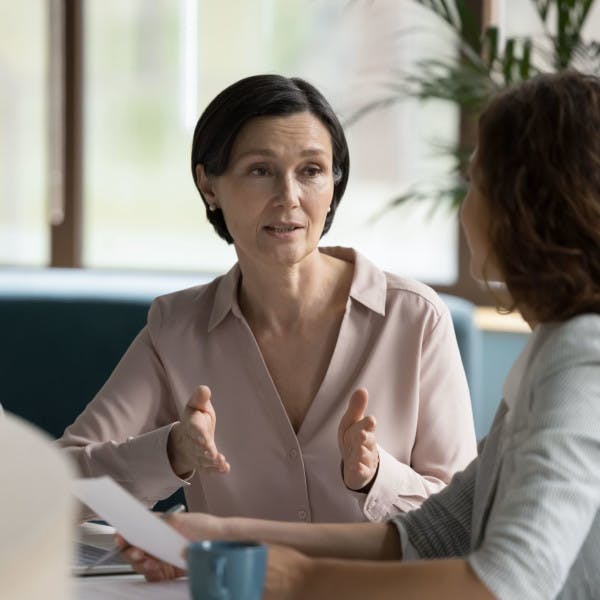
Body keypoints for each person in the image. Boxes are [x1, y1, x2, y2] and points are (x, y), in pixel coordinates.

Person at [122, 71, 600, 599]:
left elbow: (510, 583)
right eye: (260, 170)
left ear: (527, 207)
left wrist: (299, 578)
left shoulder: (583, 359)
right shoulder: (556, 348)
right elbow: (434, 534)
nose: (465, 209)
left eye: (476, 184)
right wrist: (223, 534)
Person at [58, 74, 476, 524]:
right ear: (209, 186)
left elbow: (463, 521)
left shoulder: (415, 319)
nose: (289, 197)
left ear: (334, 185)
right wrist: (172, 452)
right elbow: (60, 487)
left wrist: (377, 477)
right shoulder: (176, 329)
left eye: (311, 171)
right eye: (261, 171)